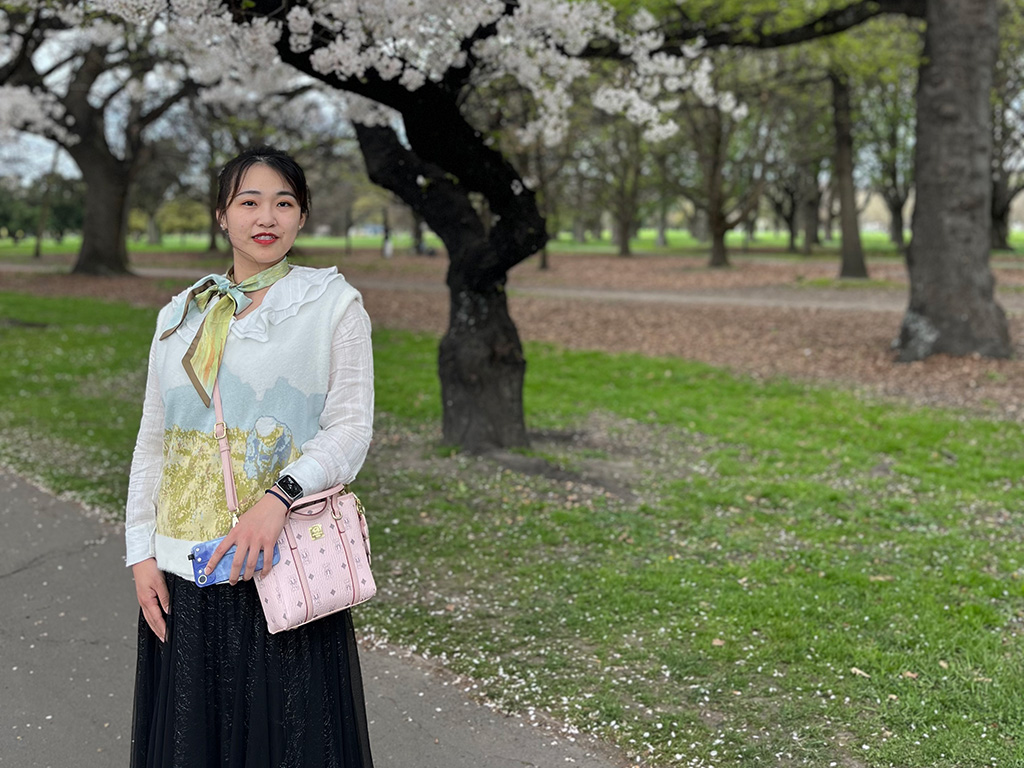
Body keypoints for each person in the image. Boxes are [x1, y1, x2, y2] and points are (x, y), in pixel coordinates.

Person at [124, 146, 375, 768]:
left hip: (281, 565)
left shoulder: (330, 306)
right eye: (249, 202)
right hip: (188, 570)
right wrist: (140, 553)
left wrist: (277, 498)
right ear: (221, 215)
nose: (267, 217)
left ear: (302, 215)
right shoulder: (180, 316)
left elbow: (349, 430)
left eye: (284, 203)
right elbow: (153, 439)